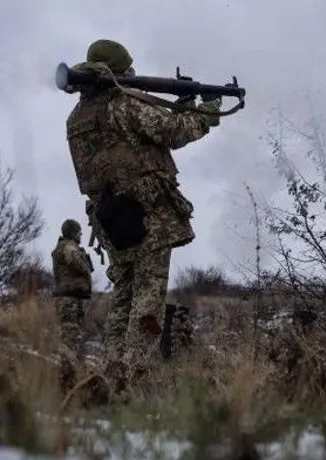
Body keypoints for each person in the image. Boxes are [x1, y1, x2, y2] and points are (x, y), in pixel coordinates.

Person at [63, 38, 220, 383]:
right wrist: (207, 111)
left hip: (110, 219)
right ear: (119, 71)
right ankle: (133, 378)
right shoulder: (123, 104)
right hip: (147, 214)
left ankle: (109, 371)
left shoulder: (77, 118)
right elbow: (173, 132)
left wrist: (181, 105)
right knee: (147, 299)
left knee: (124, 296)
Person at [51, 218, 94, 358]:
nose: (81, 235)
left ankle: (74, 374)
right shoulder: (69, 247)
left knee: (74, 338)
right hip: (69, 300)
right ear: (73, 233)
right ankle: (68, 375)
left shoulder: (63, 246)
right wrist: (85, 261)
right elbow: (81, 267)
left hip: (70, 298)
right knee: (70, 339)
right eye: (79, 233)